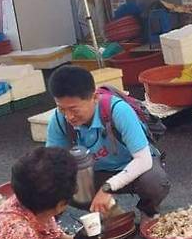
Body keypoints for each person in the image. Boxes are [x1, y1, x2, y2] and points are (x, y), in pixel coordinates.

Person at [46, 65, 170, 217]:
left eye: (74, 109)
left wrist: (108, 188)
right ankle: (111, 215)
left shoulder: (118, 110)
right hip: (95, 173)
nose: (68, 116)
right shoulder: (59, 120)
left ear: (95, 97)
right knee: (59, 184)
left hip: (133, 168)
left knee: (154, 182)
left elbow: (143, 160)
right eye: (61, 109)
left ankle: (149, 212)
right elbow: (51, 164)